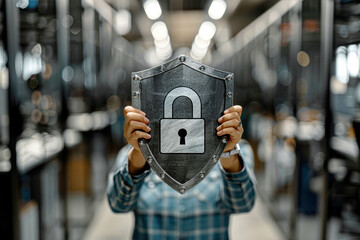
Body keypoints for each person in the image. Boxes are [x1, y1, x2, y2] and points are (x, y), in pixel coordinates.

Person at [107, 105, 256, 240]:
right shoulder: (132, 152)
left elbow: (243, 204)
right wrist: (141, 151)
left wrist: (227, 151)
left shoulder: (236, 149)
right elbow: (118, 204)